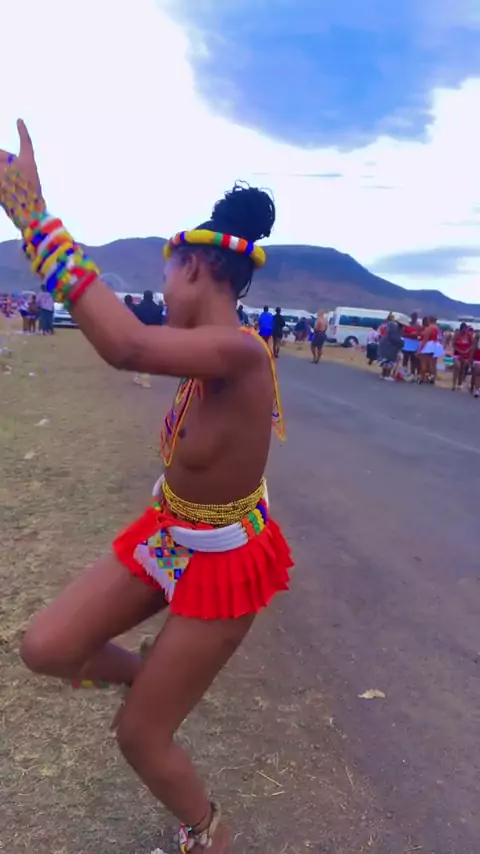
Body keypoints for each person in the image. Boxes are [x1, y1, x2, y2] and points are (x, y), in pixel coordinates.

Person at [0, 123, 292, 854]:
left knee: (140, 738)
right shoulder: (204, 355)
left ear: (191, 268)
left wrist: (36, 222)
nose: (162, 291)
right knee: (47, 648)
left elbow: (125, 344)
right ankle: (152, 678)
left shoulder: (239, 350)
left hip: (225, 564)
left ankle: (208, 835)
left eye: (167, 275)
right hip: (169, 535)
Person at [131, 290, 165, 388]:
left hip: (140, 334)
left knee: (140, 356)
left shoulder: (138, 308)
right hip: (153, 335)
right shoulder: (157, 308)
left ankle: (139, 376)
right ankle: (144, 380)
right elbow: (161, 321)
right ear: (152, 297)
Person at [452, 322, 473, 391]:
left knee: (462, 370)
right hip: (457, 353)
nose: (464, 331)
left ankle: (459, 384)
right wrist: (459, 350)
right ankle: (454, 384)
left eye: (465, 330)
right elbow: (453, 344)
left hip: (465, 354)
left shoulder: (468, 335)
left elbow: (472, 344)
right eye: (463, 330)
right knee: (457, 367)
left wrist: (468, 350)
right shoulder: (457, 335)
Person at [402, 311, 421, 376]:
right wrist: (410, 335)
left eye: (415, 317)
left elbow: (419, 335)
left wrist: (414, 335)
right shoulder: (407, 324)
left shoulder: (418, 326)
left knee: (413, 360)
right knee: (405, 359)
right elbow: (402, 333)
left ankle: (412, 373)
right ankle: (403, 373)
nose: (414, 318)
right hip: (407, 344)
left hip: (414, 344)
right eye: (413, 317)